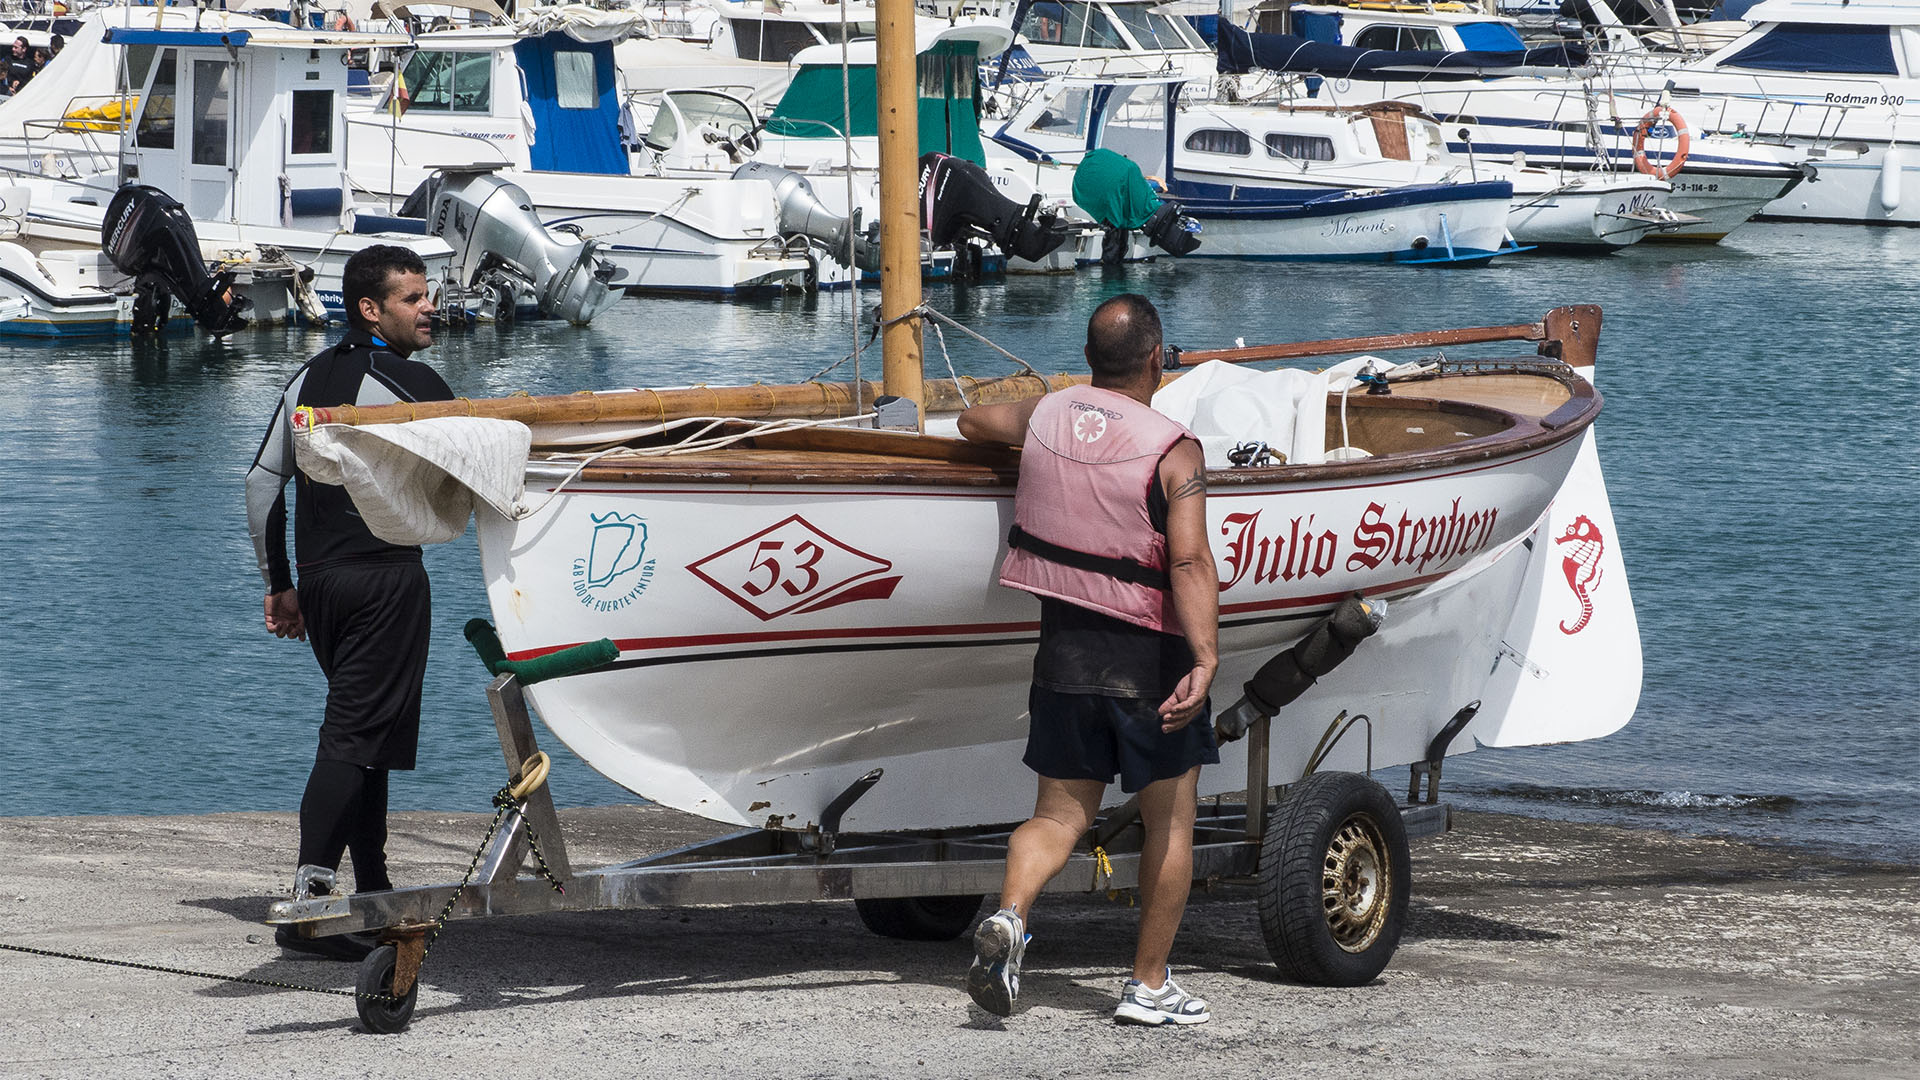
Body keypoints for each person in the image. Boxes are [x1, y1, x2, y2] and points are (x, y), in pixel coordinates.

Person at [955, 294, 1220, 1026]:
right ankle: (1148, 985)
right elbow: (1190, 560)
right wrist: (1205, 656)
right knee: (1170, 822)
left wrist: (1044, 419)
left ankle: (1010, 915)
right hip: (1150, 653)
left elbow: (971, 420)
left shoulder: (1048, 413)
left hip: (1064, 647)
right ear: (1158, 360)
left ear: (1089, 361)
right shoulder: (1174, 448)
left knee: (1056, 818)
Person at [245, 245, 450, 960]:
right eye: (413, 298)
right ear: (371, 309)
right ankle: (310, 908)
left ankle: (374, 887)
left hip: (325, 584)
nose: (430, 307)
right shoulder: (411, 382)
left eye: (428, 295)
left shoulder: (307, 375)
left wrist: (280, 584)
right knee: (351, 742)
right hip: (384, 582)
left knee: (368, 744)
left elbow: (261, 486)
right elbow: (491, 458)